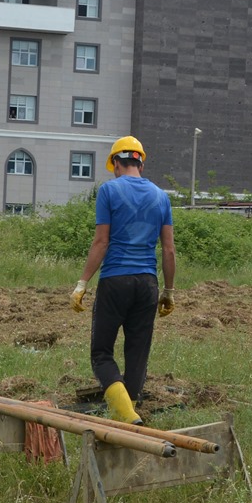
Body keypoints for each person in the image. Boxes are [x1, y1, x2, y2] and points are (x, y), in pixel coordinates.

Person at [70, 135, 176, 426]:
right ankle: (132, 407)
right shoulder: (160, 196)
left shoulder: (109, 191)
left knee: (102, 353)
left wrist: (82, 283)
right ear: (140, 163)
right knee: (137, 351)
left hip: (115, 280)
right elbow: (168, 248)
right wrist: (168, 291)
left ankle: (126, 416)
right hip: (147, 284)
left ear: (117, 162)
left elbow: (101, 242)